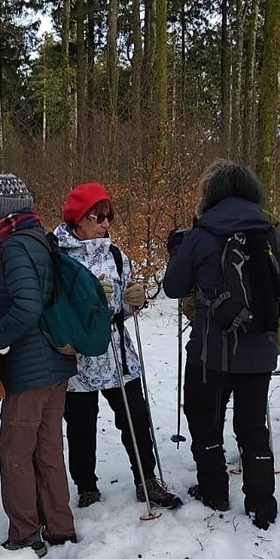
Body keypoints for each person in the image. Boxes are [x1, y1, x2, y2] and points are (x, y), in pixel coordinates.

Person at [163, 161, 280, 527]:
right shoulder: (269, 230)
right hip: (259, 348)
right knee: (252, 426)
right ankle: (262, 504)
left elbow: (173, 287)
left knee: (204, 419)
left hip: (210, 351)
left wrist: (180, 254)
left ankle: (214, 491)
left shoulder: (203, 234)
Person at [54, 182, 181, 511]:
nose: (105, 223)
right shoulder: (59, 257)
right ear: (78, 219)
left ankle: (146, 477)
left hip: (117, 351)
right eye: (97, 217)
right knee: (82, 423)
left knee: (135, 416)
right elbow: (57, 307)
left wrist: (132, 301)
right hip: (79, 353)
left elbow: (125, 303)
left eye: (109, 216)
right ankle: (86, 485)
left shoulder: (115, 255)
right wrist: (89, 301)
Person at [0, 173, 78, 556]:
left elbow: (28, 307)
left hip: (30, 365)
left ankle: (25, 533)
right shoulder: (39, 239)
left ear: (0, 212)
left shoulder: (14, 247)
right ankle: (60, 526)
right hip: (55, 362)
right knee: (47, 448)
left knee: (15, 451)